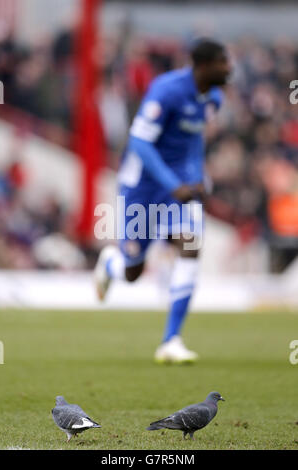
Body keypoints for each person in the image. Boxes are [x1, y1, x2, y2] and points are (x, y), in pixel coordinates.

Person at [94, 38, 231, 363]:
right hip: (142, 185)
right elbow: (140, 141)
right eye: (223, 62)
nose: (229, 69)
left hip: (179, 189)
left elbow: (193, 139)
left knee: (189, 245)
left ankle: (171, 340)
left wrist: (198, 175)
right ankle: (112, 263)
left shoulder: (213, 99)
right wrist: (173, 183)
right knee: (133, 270)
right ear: (204, 65)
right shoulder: (167, 90)